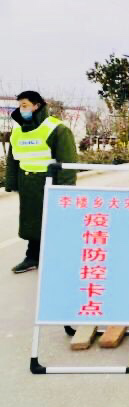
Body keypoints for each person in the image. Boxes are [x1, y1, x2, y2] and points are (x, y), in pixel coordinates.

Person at [5, 91, 77, 273]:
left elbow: (68, 162)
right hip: (27, 183)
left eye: (25, 105)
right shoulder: (18, 130)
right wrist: (11, 183)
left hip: (49, 183)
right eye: (20, 106)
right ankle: (32, 257)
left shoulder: (56, 128)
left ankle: (58, 257)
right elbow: (12, 159)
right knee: (32, 222)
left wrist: (65, 189)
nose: (21, 109)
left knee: (53, 222)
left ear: (36, 106)